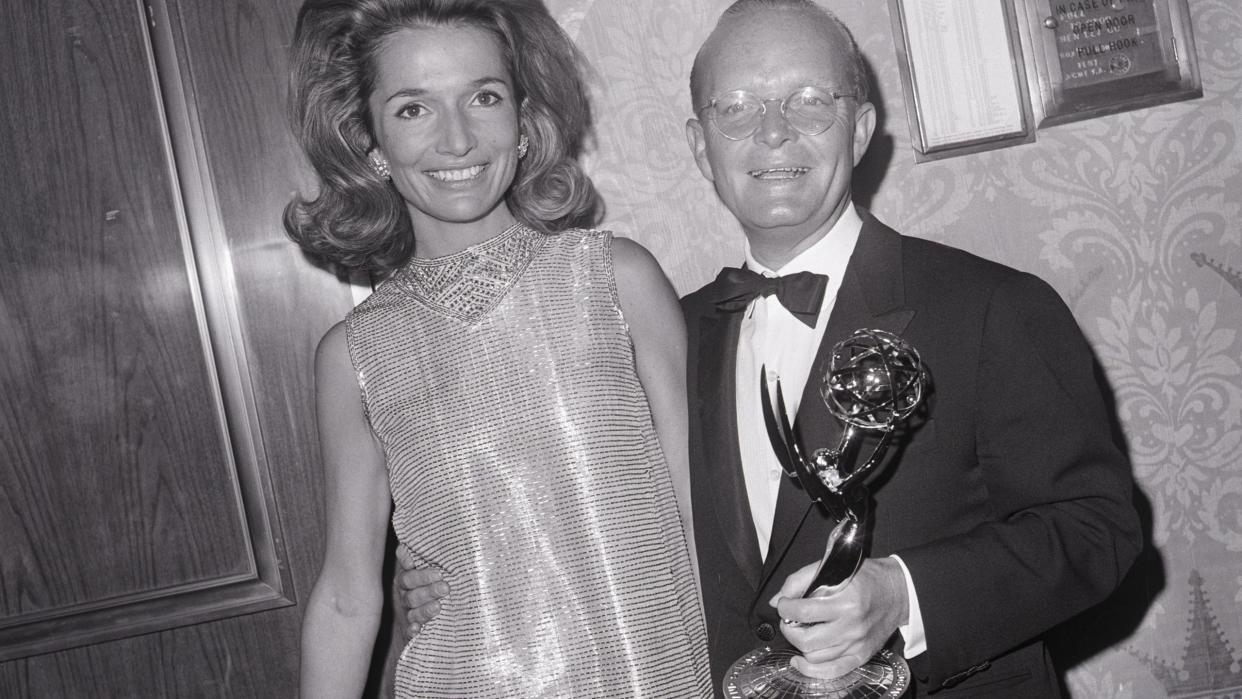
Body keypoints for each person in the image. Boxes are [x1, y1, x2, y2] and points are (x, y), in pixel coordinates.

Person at [401, 0, 1143, 696]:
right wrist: (461, 570)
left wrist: (903, 597)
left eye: (809, 101)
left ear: (859, 128)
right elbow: (591, 523)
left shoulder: (991, 307)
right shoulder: (656, 339)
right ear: (700, 147)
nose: (774, 132)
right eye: (736, 109)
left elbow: (1098, 527)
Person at [285, 0, 711, 696]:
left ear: (523, 121)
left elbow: (704, 517)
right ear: (371, 147)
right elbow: (345, 597)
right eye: (413, 109)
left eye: (483, 97)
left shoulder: (617, 279)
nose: (456, 140)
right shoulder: (354, 353)